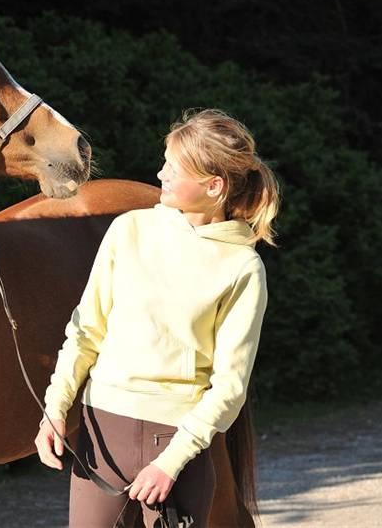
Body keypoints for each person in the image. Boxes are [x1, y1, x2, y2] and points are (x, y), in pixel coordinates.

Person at [34, 109, 280, 527]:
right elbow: (85, 331)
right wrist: (55, 409)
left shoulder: (242, 268)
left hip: (177, 445)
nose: (160, 173)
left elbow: (230, 387)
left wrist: (172, 462)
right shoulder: (128, 230)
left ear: (213, 186)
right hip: (101, 435)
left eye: (173, 167)